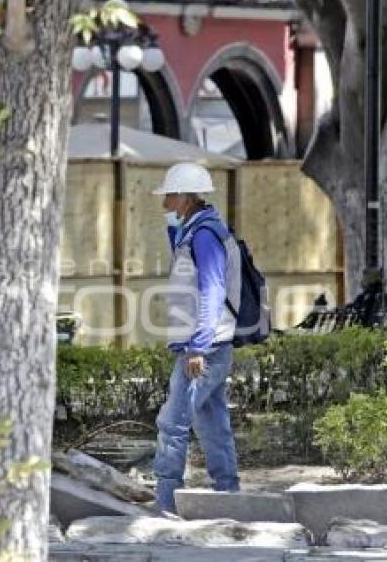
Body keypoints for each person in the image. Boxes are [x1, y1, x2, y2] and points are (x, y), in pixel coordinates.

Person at [150, 162, 241, 513]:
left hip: (205, 347)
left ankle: (166, 502)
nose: (164, 204)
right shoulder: (196, 230)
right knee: (213, 423)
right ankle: (229, 495)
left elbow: (212, 290)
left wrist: (197, 347)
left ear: (186, 197)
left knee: (173, 422)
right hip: (211, 344)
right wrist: (174, 229)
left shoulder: (205, 235)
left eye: (169, 196)